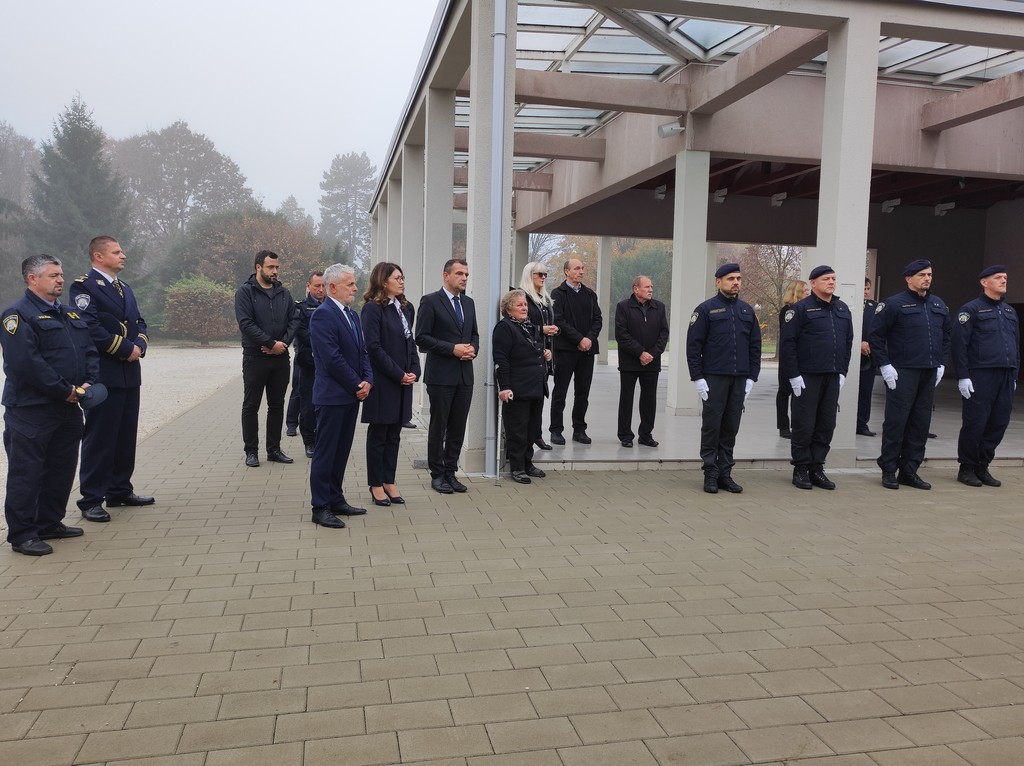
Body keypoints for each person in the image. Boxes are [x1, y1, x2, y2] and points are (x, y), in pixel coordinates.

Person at [1, 255, 98, 555]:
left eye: (61, 274)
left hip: (68, 407)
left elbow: (89, 351)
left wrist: (88, 384)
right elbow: (26, 364)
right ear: (32, 278)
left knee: (61, 467)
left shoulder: (69, 315)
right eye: (53, 275)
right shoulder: (16, 315)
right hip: (32, 409)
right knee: (27, 471)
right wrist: (63, 390)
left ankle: (49, 522)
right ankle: (22, 534)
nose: (60, 280)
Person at [71, 235, 154, 523]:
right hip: (104, 374)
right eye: (117, 252)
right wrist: (125, 348)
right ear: (98, 256)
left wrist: (139, 345)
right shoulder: (84, 287)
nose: (123, 255)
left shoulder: (125, 289)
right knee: (100, 438)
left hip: (129, 374)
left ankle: (119, 490)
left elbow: (140, 322)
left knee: (124, 436)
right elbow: (89, 327)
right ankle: (91, 498)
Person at [870, 258, 951, 490]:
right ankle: (888, 469)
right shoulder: (894, 304)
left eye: (930, 274)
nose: (927, 278)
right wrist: (884, 365)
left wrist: (942, 364)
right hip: (903, 372)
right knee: (897, 422)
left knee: (920, 424)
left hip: (928, 372)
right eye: (922, 275)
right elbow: (876, 336)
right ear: (909, 279)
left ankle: (909, 470)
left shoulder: (937, 304)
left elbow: (947, 336)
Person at [686, 263, 762, 494]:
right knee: (712, 426)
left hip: (739, 379)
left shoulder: (747, 311)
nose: (736, 282)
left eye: (738, 278)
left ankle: (725, 473)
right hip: (714, 378)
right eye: (730, 278)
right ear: (718, 282)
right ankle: (710, 472)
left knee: (730, 427)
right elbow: (693, 346)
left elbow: (755, 346)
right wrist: (698, 378)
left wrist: (752, 377)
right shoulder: (706, 310)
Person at [308, 263, 372, 528]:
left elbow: (362, 352)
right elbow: (331, 358)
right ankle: (320, 506)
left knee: (342, 450)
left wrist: (368, 379)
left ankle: (336, 499)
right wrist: (357, 383)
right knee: (326, 452)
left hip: (350, 395)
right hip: (333, 396)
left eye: (355, 283)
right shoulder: (322, 315)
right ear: (332, 287)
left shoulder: (352, 315)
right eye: (350, 284)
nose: (356, 289)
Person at [780, 265, 854, 490]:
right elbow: (788, 344)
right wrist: (794, 375)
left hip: (831, 375)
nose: (831, 282)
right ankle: (801, 468)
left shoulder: (842, 309)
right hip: (807, 376)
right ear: (813, 283)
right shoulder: (800, 309)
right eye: (825, 279)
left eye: (833, 278)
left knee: (826, 424)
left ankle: (817, 467)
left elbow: (848, 341)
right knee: (804, 424)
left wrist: (842, 371)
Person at [415, 258, 478, 494]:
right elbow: (421, 337)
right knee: (439, 426)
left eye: (466, 274)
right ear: (446, 276)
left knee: (458, 427)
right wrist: (452, 348)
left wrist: (473, 348)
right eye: (460, 273)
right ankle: (437, 474)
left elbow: (475, 334)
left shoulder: (469, 303)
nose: (464, 278)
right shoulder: (430, 301)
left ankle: (451, 472)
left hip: (464, 375)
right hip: (441, 375)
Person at [952, 265, 1019, 487]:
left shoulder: (1010, 312)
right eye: (998, 277)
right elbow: (959, 346)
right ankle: (967, 468)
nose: (1003, 280)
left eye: (1005, 277)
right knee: (976, 423)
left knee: (999, 422)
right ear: (984, 282)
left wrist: (1015, 375)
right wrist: (963, 376)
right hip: (980, 374)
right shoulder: (970, 310)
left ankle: (983, 466)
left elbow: (1015, 345)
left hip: (1006, 374)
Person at [361, 262, 420, 506]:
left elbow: (410, 343)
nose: (402, 281)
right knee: (379, 435)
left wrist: (414, 370)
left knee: (394, 433)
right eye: (397, 277)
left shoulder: (405, 309)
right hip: (384, 381)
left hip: (403, 382)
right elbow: (373, 348)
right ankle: (376, 484)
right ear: (384, 281)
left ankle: (389, 480)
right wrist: (398, 374)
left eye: (403, 277)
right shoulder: (372, 310)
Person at [235, 250, 300, 468]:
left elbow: (294, 319)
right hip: (255, 358)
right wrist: (270, 343)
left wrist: (282, 344)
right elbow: (246, 323)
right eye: (270, 267)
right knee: (251, 406)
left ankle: (274, 449)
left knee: (277, 405)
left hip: (280, 359)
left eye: (277, 267)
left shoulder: (283, 293)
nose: (274, 271)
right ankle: (251, 451)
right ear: (258, 267)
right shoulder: (245, 292)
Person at [494, 290, 552, 484]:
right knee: (517, 429)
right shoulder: (505, 327)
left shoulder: (528, 326)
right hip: (517, 387)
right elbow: (501, 359)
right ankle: (517, 467)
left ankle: (528, 463)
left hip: (536, 385)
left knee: (532, 429)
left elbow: (531, 348)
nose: (524, 308)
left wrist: (544, 353)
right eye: (519, 305)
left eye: (525, 305)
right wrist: (504, 387)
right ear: (509, 309)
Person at [550, 258, 602, 445]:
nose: (581, 271)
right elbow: (558, 320)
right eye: (577, 268)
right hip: (565, 350)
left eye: (582, 268)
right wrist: (579, 339)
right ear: (566, 271)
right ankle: (556, 430)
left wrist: (589, 339)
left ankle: (579, 430)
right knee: (560, 391)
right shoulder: (558, 293)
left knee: (582, 393)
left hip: (587, 351)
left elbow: (598, 319)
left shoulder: (589, 294)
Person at [615, 275, 669, 448]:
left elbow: (664, 333)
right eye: (646, 287)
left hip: (652, 363)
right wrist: (640, 353)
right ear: (635, 289)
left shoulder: (659, 307)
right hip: (630, 362)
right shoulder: (623, 307)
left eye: (651, 287)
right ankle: (625, 435)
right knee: (627, 398)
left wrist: (651, 354)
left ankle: (646, 434)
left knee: (649, 399)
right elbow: (621, 335)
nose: (650, 290)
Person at [520, 261, 558, 451]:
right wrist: (541, 329)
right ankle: (530, 437)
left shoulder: (545, 299)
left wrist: (552, 329)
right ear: (530, 275)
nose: (543, 277)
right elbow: (520, 326)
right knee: (530, 399)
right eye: (539, 274)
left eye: (545, 274)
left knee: (540, 397)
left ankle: (537, 434)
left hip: (545, 355)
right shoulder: (523, 297)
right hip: (529, 356)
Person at [291, 271, 326, 458]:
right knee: (308, 404)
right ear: (309, 286)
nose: (321, 290)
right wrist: (325, 341)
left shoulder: (332, 305)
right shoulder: (301, 308)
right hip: (308, 362)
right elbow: (302, 333)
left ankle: (322, 438)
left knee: (325, 404)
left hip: (328, 364)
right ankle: (309, 441)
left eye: (323, 286)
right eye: (317, 286)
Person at [776, 280, 809, 439]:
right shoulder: (787, 311)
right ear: (797, 292)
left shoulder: (806, 309)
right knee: (784, 391)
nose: (808, 293)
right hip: (789, 356)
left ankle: (798, 424)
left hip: (803, 357)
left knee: (800, 393)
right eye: (805, 290)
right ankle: (783, 426)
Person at [857, 277, 879, 436]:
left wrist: (869, 344)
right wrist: (858, 343)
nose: (865, 292)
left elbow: (880, 331)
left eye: (867, 288)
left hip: (869, 357)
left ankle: (862, 424)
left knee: (865, 391)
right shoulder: (846, 307)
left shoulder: (876, 308)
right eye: (863, 288)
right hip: (850, 356)